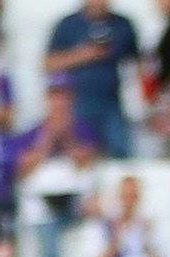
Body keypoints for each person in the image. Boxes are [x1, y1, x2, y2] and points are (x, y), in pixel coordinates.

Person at [44, 0, 146, 157]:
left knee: (120, 153)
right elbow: (49, 63)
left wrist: (143, 102)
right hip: (77, 103)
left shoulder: (122, 24)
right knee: (81, 152)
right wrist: (85, 54)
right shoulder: (68, 24)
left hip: (112, 103)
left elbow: (137, 63)